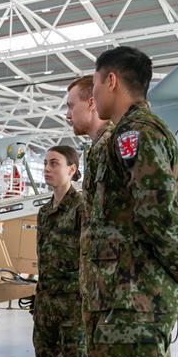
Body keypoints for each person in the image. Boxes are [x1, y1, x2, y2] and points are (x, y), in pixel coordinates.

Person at [87, 46, 178, 357]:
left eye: (95, 85)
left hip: (132, 303)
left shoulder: (136, 134)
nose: (94, 96)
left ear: (111, 80)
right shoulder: (124, 136)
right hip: (121, 301)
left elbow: (158, 214)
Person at [34, 146, 94, 357]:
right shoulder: (44, 212)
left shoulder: (82, 207)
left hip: (74, 304)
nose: (47, 168)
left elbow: (91, 257)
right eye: (45, 163)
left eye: (54, 163)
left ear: (71, 169)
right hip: (46, 303)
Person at [65, 74, 113, 321]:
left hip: (119, 294)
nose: (67, 115)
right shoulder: (95, 150)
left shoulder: (112, 145)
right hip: (101, 291)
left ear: (92, 103)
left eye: (71, 106)